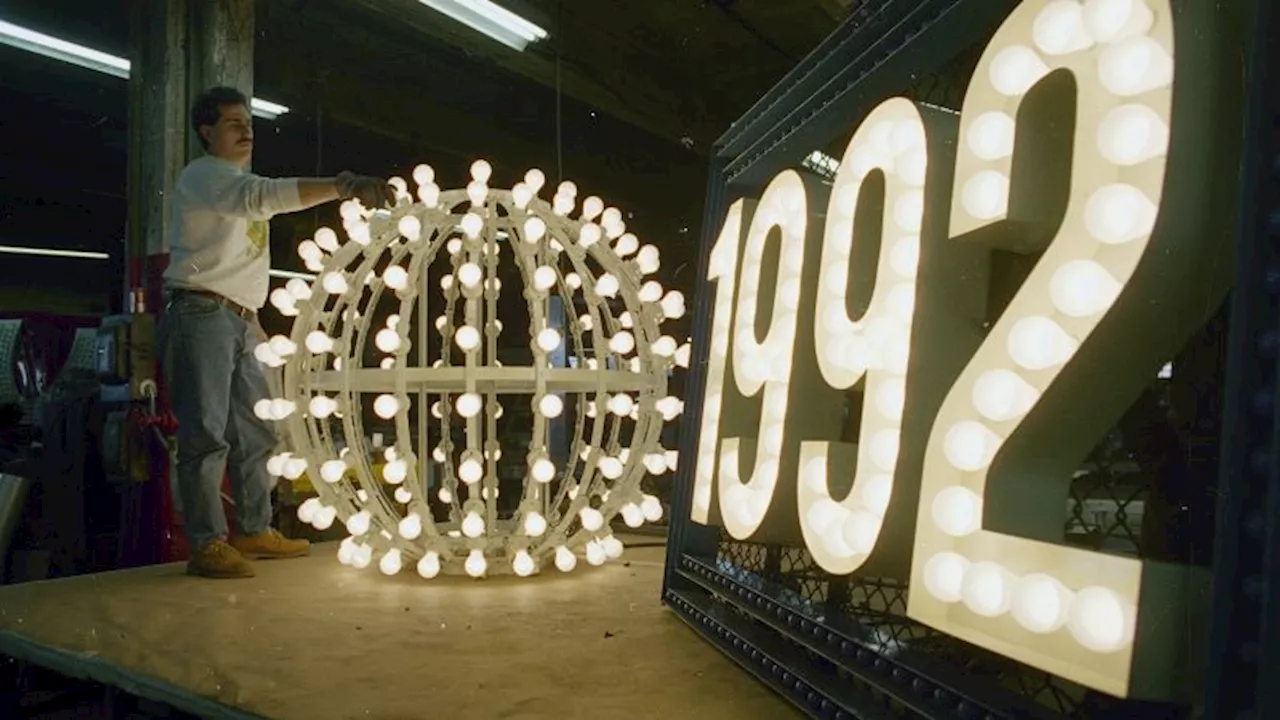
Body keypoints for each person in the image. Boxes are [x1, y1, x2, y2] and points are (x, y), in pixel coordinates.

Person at [159, 86, 394, 579]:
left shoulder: (232, 181)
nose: (246, 131)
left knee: (257, 427)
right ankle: (207, 543)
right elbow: (261, 197)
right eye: (232, 123)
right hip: (201, 313)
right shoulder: (205, 176)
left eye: (249, 124)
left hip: (240, 317)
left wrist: (252, 318)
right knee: (206, 432)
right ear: (207, 132)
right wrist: (342, 185)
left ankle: (253, 527)